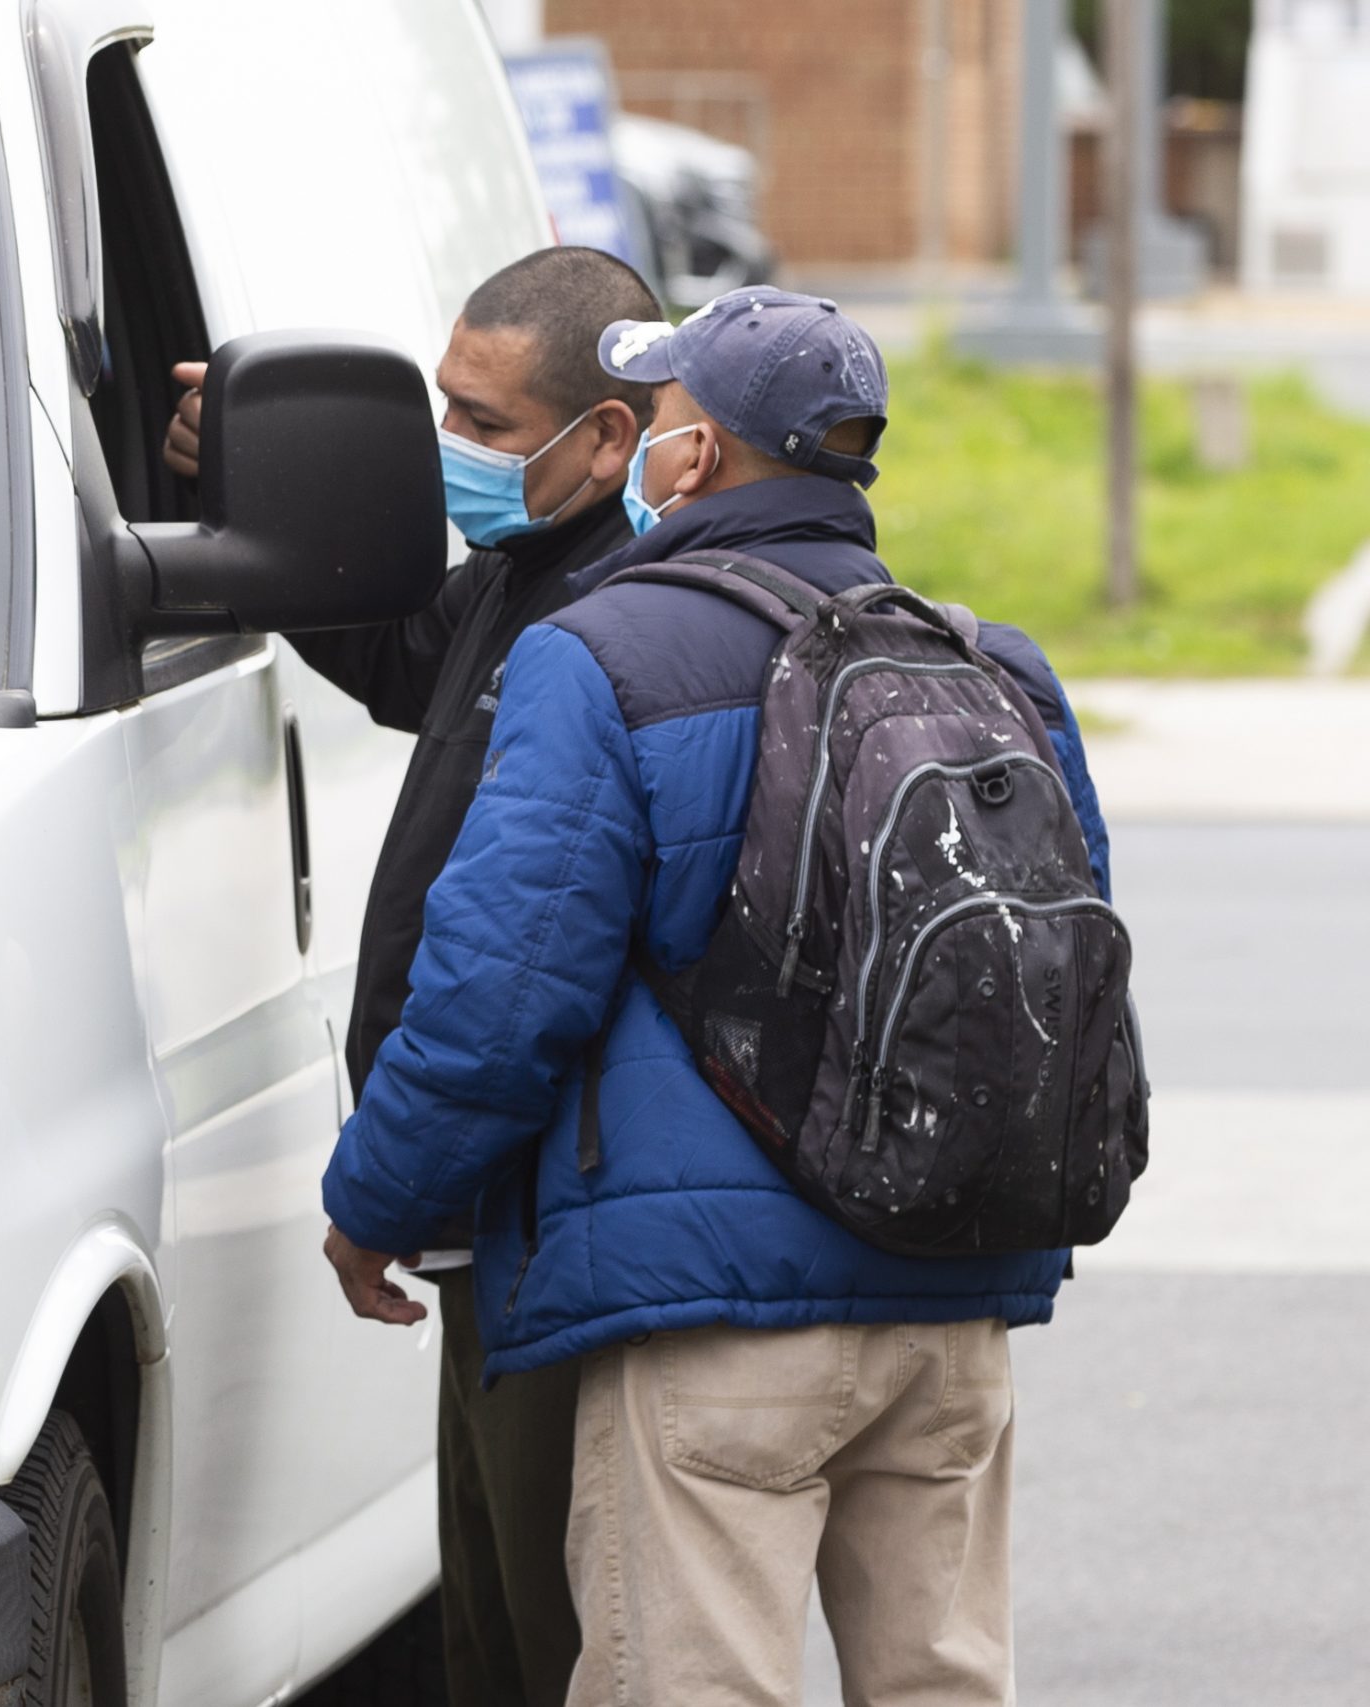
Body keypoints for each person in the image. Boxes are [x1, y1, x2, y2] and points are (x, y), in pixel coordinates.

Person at [320, 288, 1111, 1706]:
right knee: (942, 1685)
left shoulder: (604, 655)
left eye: (664, 417)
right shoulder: (993, 666)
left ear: (692, 460)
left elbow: (501, 991)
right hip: (950, 1302)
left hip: (713, 1324)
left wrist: (381, 1197)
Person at [168, 245, 662, 1707]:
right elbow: (392, 651)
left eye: (489, 426)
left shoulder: (619, 620)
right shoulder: (517, 579)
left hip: (563, 1217)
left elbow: (515, 978)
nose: (455, 451)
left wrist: (386, 1188)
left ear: (609, 436)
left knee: (557, 1628)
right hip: (491, 1214)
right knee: (492, 1619)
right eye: (443, 409)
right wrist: (248, 495)